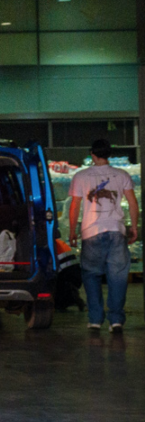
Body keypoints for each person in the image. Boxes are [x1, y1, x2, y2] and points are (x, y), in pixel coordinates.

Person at [68, 138, 139, 333]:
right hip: (116, 231)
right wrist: (134, 227)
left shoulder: (81, 176)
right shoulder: (121, 175)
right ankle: (116, 320)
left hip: (91, 233)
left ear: (92, 154)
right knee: (118, 277)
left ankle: (95, 320)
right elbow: (133, 203)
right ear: (109, 154)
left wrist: (72, 231)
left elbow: (75, 206)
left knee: (91, 276)